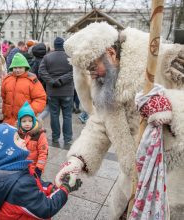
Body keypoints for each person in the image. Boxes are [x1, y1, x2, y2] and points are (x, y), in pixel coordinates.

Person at [54, 22, 184, 219]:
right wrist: (78, 160)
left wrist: (169, 104)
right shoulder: (104, 82)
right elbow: (99, 123)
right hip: (130, 183)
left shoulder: (166, 61)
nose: (92, 75)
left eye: (92, 66)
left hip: (170, 182)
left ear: (110, 53)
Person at [0, 123, 82, 219]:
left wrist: (52, 188)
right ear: (6, 151)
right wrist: (65, 189)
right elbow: (46, 208)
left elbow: (35, 184)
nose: (24, 140)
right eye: (17, 138)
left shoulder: (13, 168)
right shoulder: (19, 185)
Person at [39, 37, 74, 146]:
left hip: (52, 91)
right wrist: (61, 80)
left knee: (54, 115)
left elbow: (41, 71)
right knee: (67, 116)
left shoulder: (47, 57)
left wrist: (53, 81)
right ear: (64, 45)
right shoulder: (70, 57)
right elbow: (74, 72)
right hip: (67, 91)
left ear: (54, 45)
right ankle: (67, 138)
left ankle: (55, 137)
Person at [2, 52, 46, 126]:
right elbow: (4, 98)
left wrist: (28, 111)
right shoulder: (7, 79)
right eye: (15, 68)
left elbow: (40, 99)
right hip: (9, 120)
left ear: (25, 68)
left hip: (26, 121)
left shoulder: (32, 80)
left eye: (20, 67)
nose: (17, 70)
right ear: (12, 68)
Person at [17, 101, 48, 177]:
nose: (27, 123)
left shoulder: (39, 135)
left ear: (33, 121)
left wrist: (39, 168)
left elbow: (43, 152)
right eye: (24, 121)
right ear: (19, 122)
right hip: (20, 168)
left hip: (34, 168)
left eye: (30, 121)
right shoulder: (17, 134)